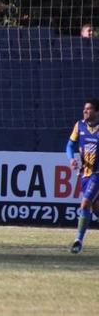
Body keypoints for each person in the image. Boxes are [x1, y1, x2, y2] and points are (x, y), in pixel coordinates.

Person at [66, 98, 99, 254]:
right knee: (95, 207)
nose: (85, 111)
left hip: (97, 174)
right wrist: (71, 158)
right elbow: (70, 145)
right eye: (84, 108)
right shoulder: (79, 126)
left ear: (97, 112)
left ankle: (78, 240)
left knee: (85, 204)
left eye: (89, 108)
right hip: (84, 174)